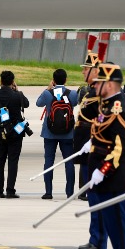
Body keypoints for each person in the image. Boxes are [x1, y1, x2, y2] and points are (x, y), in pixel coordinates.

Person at [87, 62, 125, 249]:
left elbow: (119, 148)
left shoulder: (118, 108)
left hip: (113, 179)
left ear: (111, 84)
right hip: (105, 179)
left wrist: (102, 171)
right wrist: (91, 143)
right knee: (113, 229)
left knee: (118, 231)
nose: (95, 86)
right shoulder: (105, 105)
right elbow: (102, 134)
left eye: (99, 82)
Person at [74, 37, 108, 249]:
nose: (83, 72)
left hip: (94, 146)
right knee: (93, 197)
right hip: (86, 143)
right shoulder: (89, 91)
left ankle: (98, 239)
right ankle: (96, 238)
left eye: (87, 69)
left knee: (97, 198)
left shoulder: (100, 94)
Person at [36, 68, 77, 199]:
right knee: (69, 162)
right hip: (67, 132)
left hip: (50, 132)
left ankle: (48, 192)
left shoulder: (48, 94)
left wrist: (48, 89)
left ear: (53, 80)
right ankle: (69, 192)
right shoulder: (72, 94)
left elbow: (38, 103)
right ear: (66, 80)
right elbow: (75, 104)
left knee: (49, 161)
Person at [0, 70, 29, 198]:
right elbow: (26, 104)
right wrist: (16, 91)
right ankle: (10, 190)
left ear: (1, 81)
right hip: (15, 132)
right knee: (13, 161)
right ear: (12, 82)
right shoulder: (18, 95)